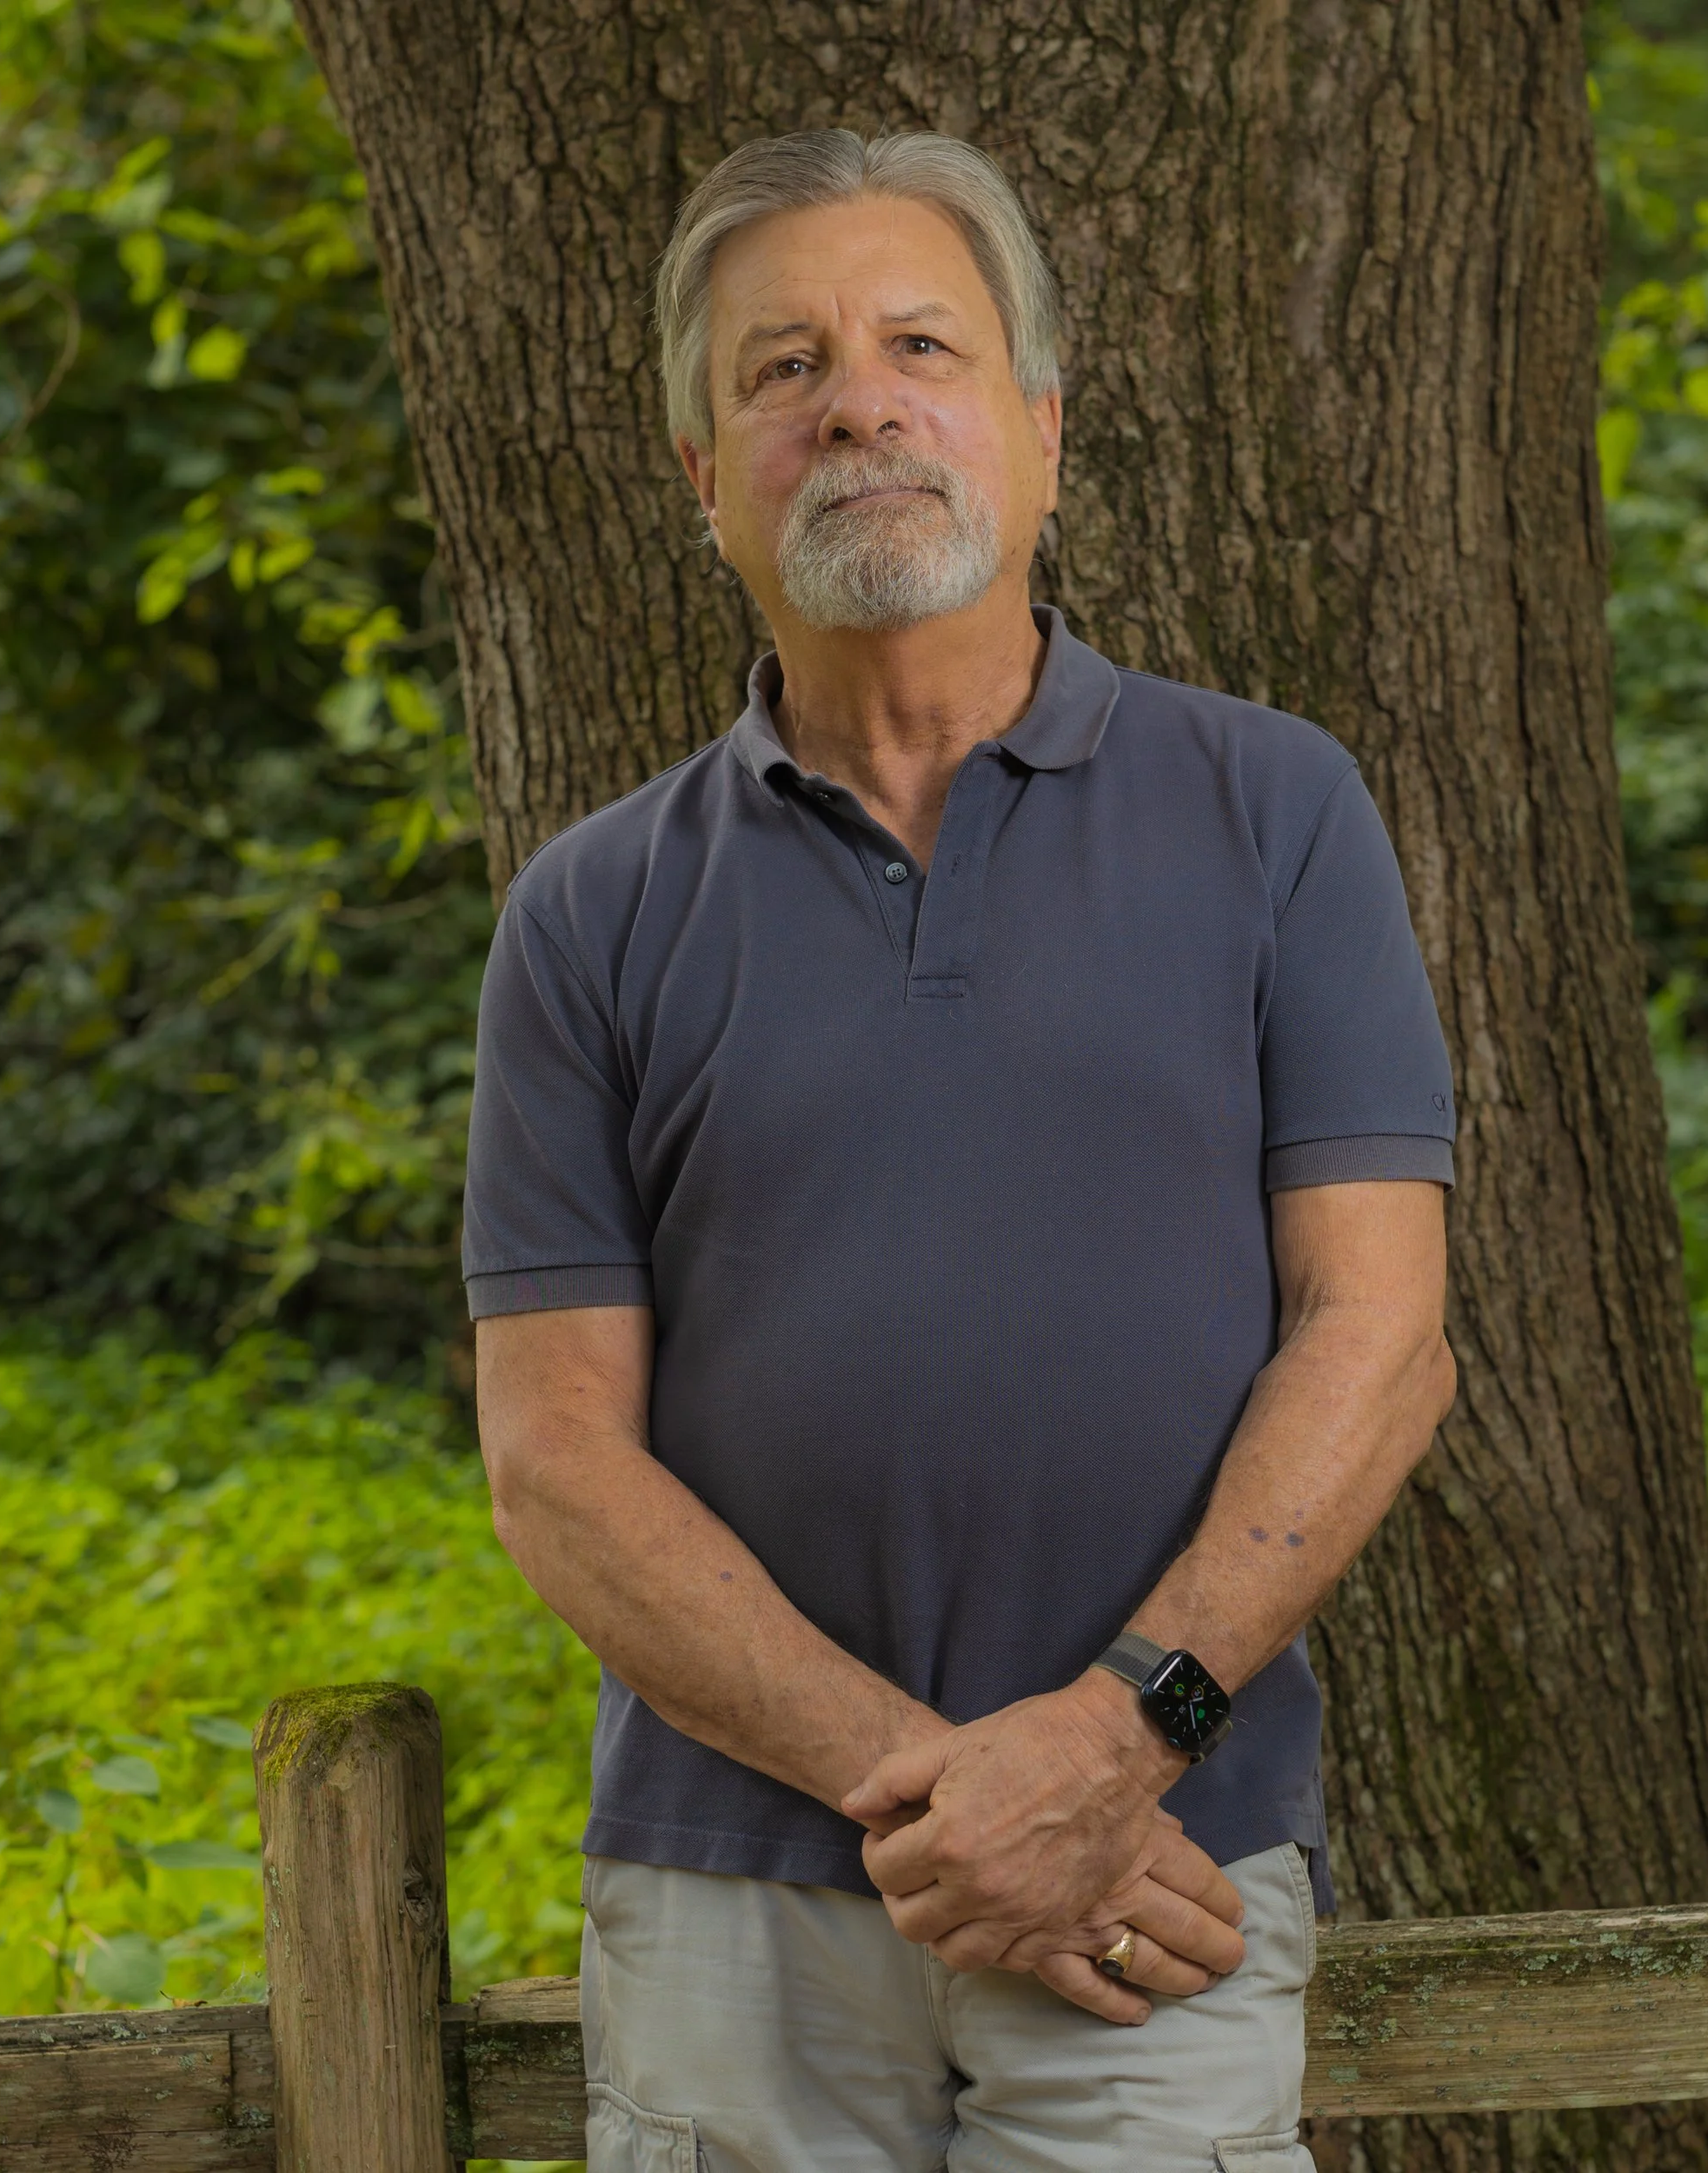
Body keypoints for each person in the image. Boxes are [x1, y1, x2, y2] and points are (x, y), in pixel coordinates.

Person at [464, 127, 1458, 2173]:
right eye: (784, 367)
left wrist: (1116, 1741)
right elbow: (553, 1458)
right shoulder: (588, 910)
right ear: (701, 474)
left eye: (919, 344)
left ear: (1040, 428)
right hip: (730, 1888)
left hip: (1161, 1860)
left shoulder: (1275, 810)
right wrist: (954, 1794)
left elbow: (1378, 1339)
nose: (855, 402)